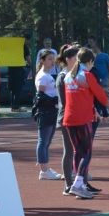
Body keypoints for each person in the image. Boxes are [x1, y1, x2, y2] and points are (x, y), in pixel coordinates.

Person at [63, 47, 109, 199]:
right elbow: (100, 94)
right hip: (83, 119)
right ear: (89, 61)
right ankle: (77, 184)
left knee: (78, 151)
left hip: (69, 119)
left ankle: (79, 184)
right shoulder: (87, 75)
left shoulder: (68, 75)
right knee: (87, 153)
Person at [32, 49, 62, 179]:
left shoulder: (48, 75)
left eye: (53, 59)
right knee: (43, 141)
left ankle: (46, 168)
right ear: (43, 61)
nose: (52, 61)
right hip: (45, 112)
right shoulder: (42, 76)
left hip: (52, 111)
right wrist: (54, 101)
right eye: (49, 59)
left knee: (47, 142)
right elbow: (40, 97)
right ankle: (43, 170)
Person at [55, 45, 80, 194]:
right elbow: (66, 102)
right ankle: (68, 185)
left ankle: (78, 182)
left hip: (76, 117)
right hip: (66, 118)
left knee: (79, 150)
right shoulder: (63, 76)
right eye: (77, 58)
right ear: (69, 59)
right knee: (69, 150)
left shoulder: (75, 74)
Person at [8, 34, 30, 112]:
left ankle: (13, 106)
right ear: (26, 39)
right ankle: (16, 107)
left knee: (12, 89)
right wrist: (30, 65)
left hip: (10, 70)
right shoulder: (24, 46)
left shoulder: (13, 46)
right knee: (18, 89)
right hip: (19, 70)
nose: (28, 42)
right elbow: (28, 59)